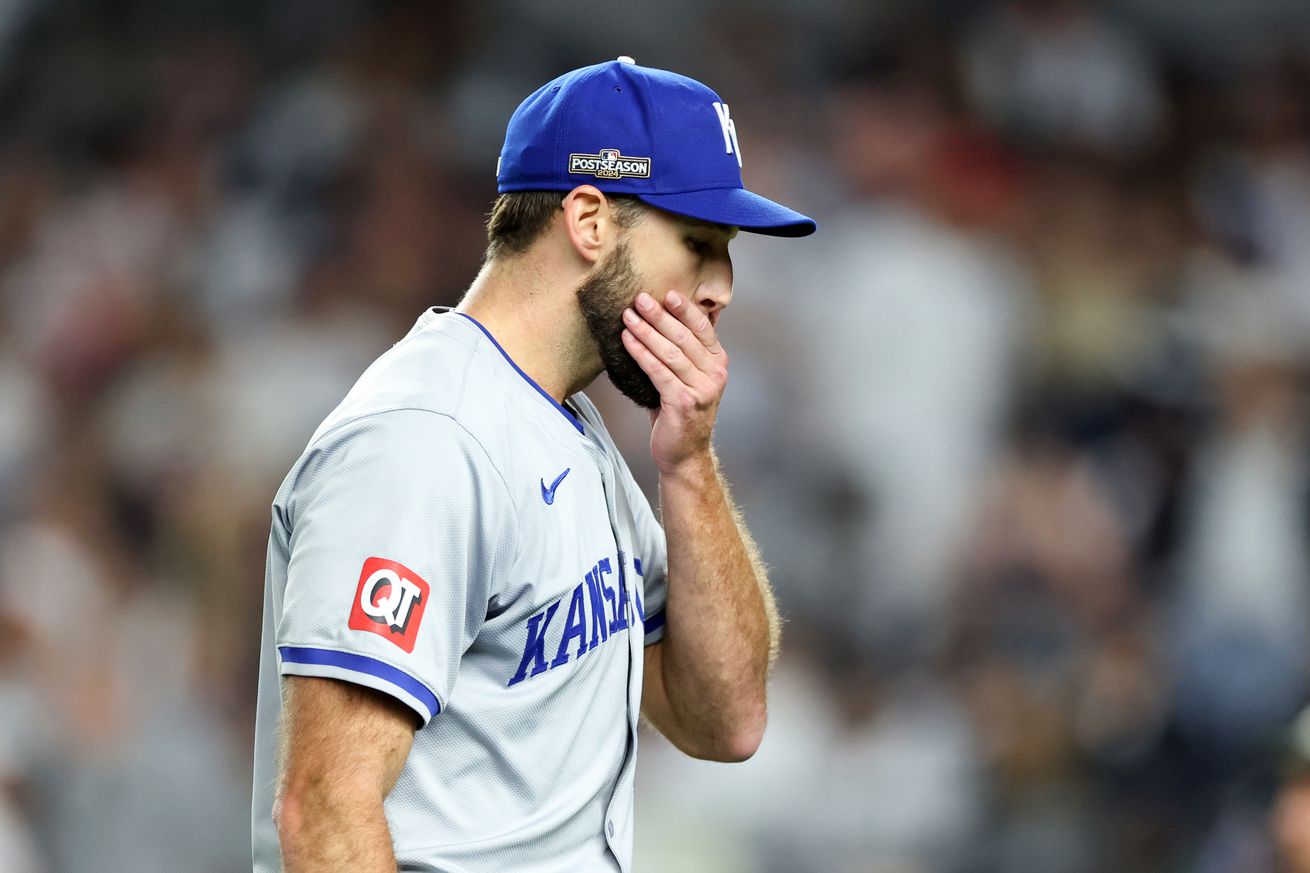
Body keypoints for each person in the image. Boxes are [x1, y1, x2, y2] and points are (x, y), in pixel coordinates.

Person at [250, 56, 816, 873]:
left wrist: (688, 463)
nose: (722, 285)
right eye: (699, 243)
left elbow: (724, 720)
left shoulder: (562, 421)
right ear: (589, 220)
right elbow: (325, 814)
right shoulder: (425, 438)